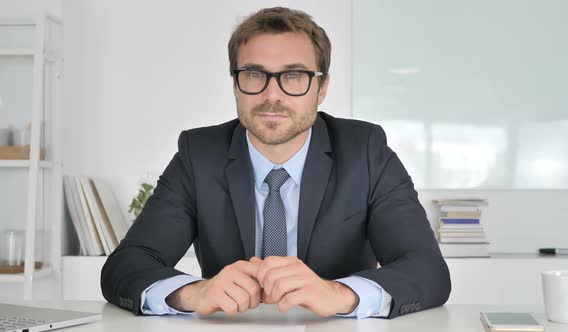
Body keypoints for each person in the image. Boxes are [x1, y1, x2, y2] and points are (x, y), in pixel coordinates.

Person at [101, 6, 451, 319]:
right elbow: (127, 265)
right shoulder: (199, 154)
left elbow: (427, 269)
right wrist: (192, 293)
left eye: (294, 76)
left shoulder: (365, 152)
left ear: (322, 87)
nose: (273, 95)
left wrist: (341, 294)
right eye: (254, 74)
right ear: (236, 85)